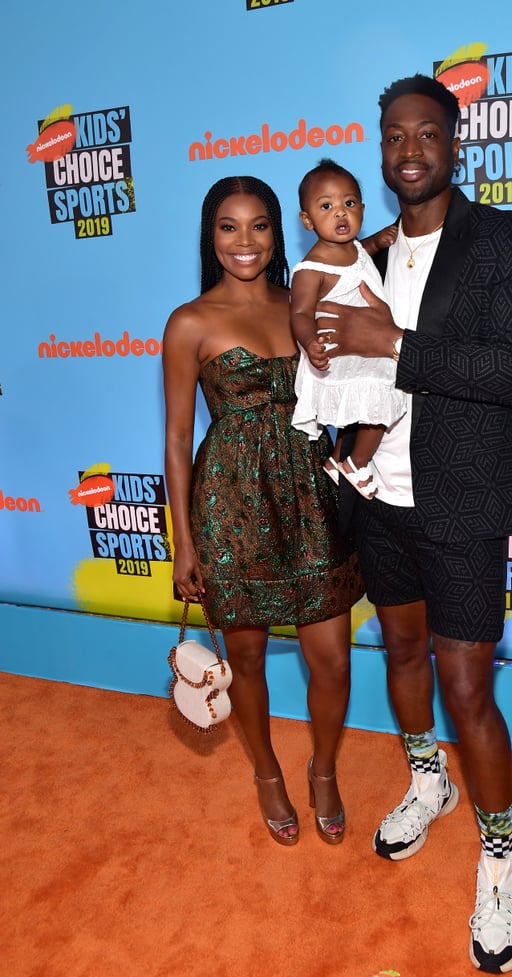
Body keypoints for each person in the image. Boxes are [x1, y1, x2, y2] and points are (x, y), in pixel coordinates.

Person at [316, 75, 512, 972]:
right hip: (379, 498)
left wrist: (397, 346)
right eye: (392, 136)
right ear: (380, 151)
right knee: (404, 658)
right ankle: (427, 778)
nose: (408, 150)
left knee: (467, 688)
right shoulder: (363, 251)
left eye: (426, 134)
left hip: (462, 499)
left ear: (455, 146)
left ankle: (501, 854)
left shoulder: (505, 238)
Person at [162, 176, 365, 848]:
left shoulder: (306, 301)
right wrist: (184, 545)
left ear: (280, 231)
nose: (244, 241)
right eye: (228, 226)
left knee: (332, 659)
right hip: (231, 505)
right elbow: (175, 443)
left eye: (258, 225)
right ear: (210, 235)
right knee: (244, 659)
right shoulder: (190, 321)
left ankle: (325, 768)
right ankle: (267, 774)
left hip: (310, 495)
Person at [290, 159, 404, 499]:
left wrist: (377, 243)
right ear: (307, 220)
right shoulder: (310, 268)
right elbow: (299, 312)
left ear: (363, 209)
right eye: (327, 206)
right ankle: (356, 462)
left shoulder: (353, 247)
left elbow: (360, 256)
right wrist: (309, 342)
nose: (341, 213)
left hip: (363, 344)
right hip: (336, 351)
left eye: (349, 204)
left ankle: (335, 461)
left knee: (354, 411)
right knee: (380, 400)